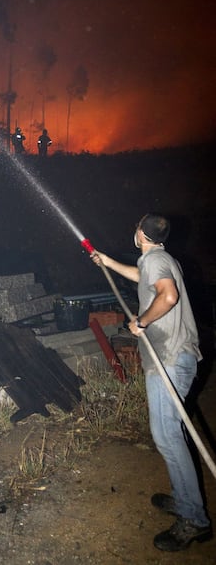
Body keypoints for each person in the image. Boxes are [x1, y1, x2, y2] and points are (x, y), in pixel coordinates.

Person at [91, 213, 212, 552]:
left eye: (135, 227)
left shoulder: (157, 260)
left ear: (141, 233)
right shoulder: (159, 258)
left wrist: (141, 321)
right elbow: (141, 275)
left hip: (170, 359)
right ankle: (185, 499)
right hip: (175, 357)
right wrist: (107, 261)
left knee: (167, 436)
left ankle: (194, 519)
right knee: (172, 434)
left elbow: (168, 296)